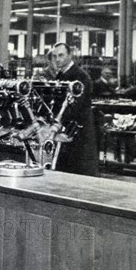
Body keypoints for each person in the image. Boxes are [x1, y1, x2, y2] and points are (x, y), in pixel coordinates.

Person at [52, 42, 99, 176]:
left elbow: (75, 106)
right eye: (55, 56)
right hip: (67, 130)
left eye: (61, 55)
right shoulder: (61, 75)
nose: (57, 59)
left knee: (80, 170)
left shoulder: (80, 76)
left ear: (70, 56)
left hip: (79, 131)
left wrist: (57, 122)